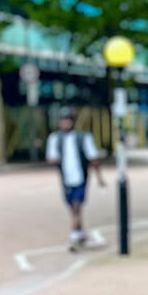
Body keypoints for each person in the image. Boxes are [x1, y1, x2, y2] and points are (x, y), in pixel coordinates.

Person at [45, 107, 105, 250]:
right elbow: (51, 158)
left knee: (76, 206)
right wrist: (57, 158)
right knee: (72, 208)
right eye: (63, 120)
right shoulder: (55, 139)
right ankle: (80, 232)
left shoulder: (83, 137)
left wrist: (99, 177)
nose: (65, 123)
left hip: (80, 178)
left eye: (68, 120)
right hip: (66, 179)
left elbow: (93, 158)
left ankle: (73, 236)